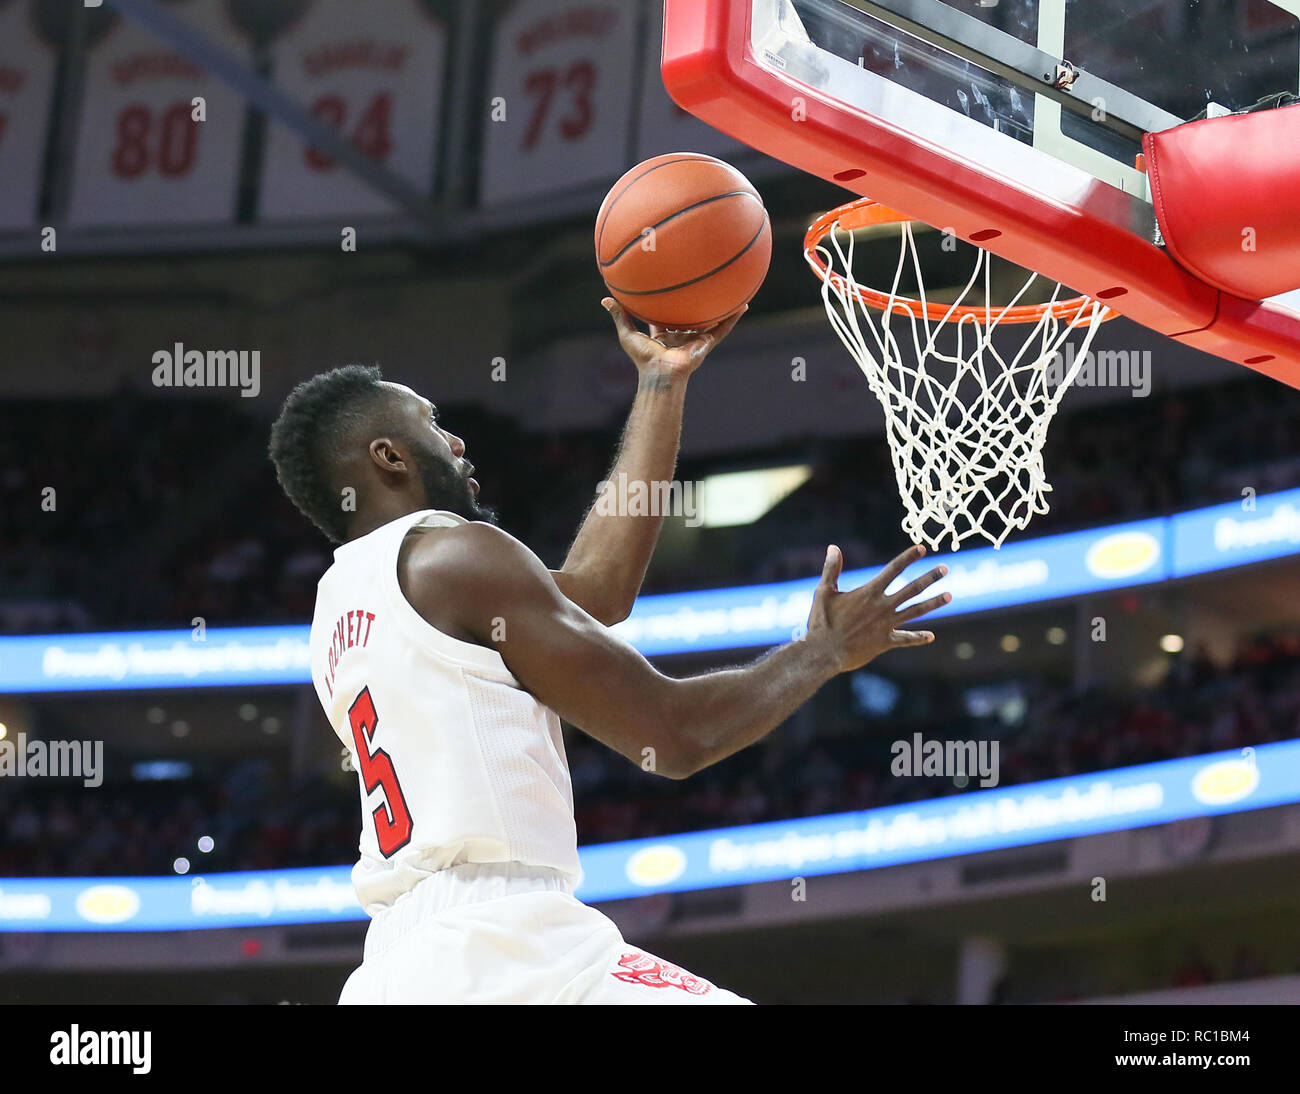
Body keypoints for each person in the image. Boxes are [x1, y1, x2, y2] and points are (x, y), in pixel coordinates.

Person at [268, 300, 950, 1004]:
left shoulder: (341, 608)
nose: (458, 444)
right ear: (389, 456)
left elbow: (595, 592)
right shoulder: (455, 554)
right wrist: (823, 652)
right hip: (506, 951)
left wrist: (662, 383)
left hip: (397, 970)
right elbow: (677, 735)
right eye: (433, 426)